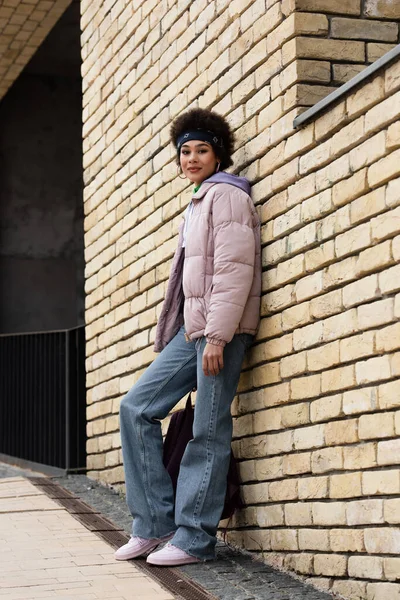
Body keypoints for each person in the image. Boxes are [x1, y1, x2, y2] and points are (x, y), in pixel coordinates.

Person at [115, 108, 261, 567]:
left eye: (202, 150)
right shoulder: (199, 201)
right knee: (136, 407)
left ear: (218, 155)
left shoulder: (228, 197)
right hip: (192, 330)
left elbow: (235, 273)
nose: (192, 157)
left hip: (221, 331)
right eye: (185, 151)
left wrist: (217, 338)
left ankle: (194, 539)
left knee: (207, 431)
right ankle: (153, 524)